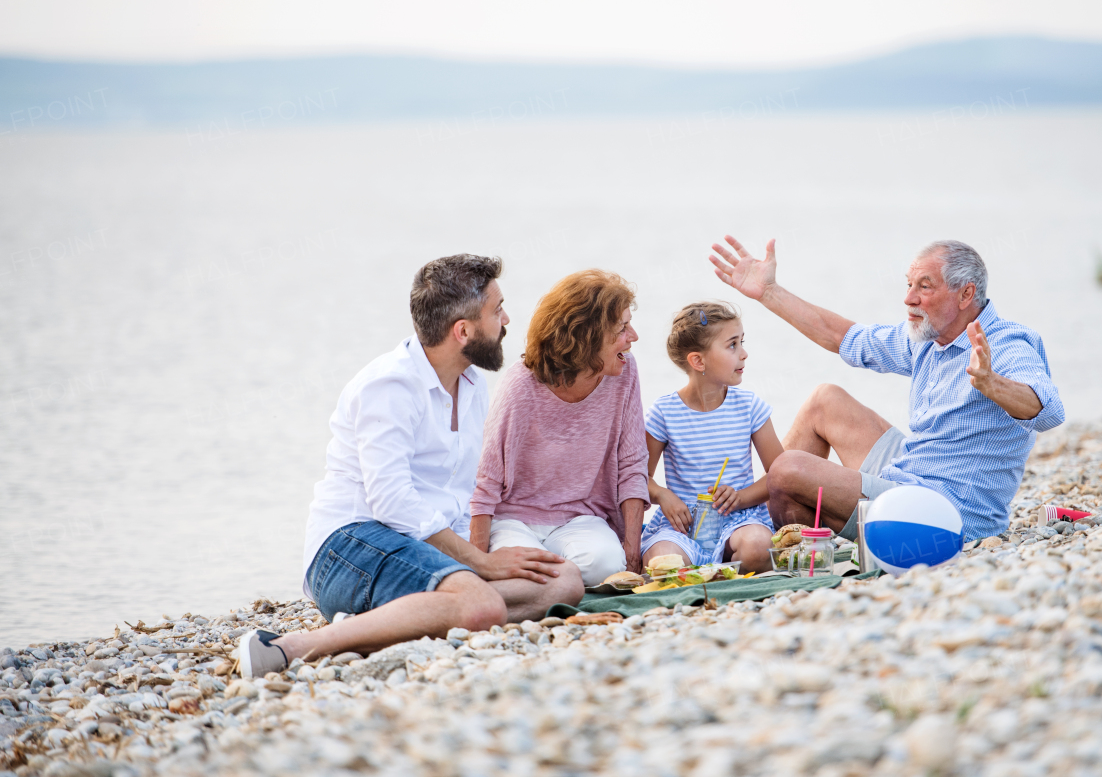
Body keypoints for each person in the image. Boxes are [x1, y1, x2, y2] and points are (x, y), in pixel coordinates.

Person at [236, 255, 583, 678]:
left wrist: (485, 553)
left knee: (564, 580)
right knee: (481, 604)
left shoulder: (471, 384)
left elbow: (462, 495)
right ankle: (288, 648)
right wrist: (479, 562)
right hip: (349, 545)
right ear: (463, 331)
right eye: (497, 310)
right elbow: (392, 502)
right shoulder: (390, 385)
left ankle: (387, 623)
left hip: (422, 548)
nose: (507, 319)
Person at [709, 236, 1065, 544]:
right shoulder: (929, 337)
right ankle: (755, 530)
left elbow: (1049, 411)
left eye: (924, 287)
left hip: (946, 513)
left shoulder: (1004, 343)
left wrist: (993, 384)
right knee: (824, 401)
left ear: (965, 294)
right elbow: (842, 337)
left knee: (787, 471)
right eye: (908, 285)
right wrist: (769, 292)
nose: (909, 298)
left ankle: (766, 540)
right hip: (912, 473)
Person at [469, 269, 649, 586]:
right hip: (514, 520)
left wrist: (631, 554)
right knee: (523, 574)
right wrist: (479, 565)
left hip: (582, 519)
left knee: (606, 564)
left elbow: (632, 464)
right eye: (622, 328)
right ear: (586, 336)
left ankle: (551, 578)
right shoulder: (521, 384)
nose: (633, 336)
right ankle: (548, 577)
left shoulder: (624, 372)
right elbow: (487, 479)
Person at [642, 302, 783, 574]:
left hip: (738, 522)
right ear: (698, 361)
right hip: (681, 527)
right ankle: (710, 570)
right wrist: (663, 495)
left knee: (757, 547)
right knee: (660, 560)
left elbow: (780, 474)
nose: (744, 354)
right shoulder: (664, 412)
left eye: (741, 342)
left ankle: (714, 570)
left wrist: (740, 497)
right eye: (732, 345)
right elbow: (637, 477)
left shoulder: (750, 406)